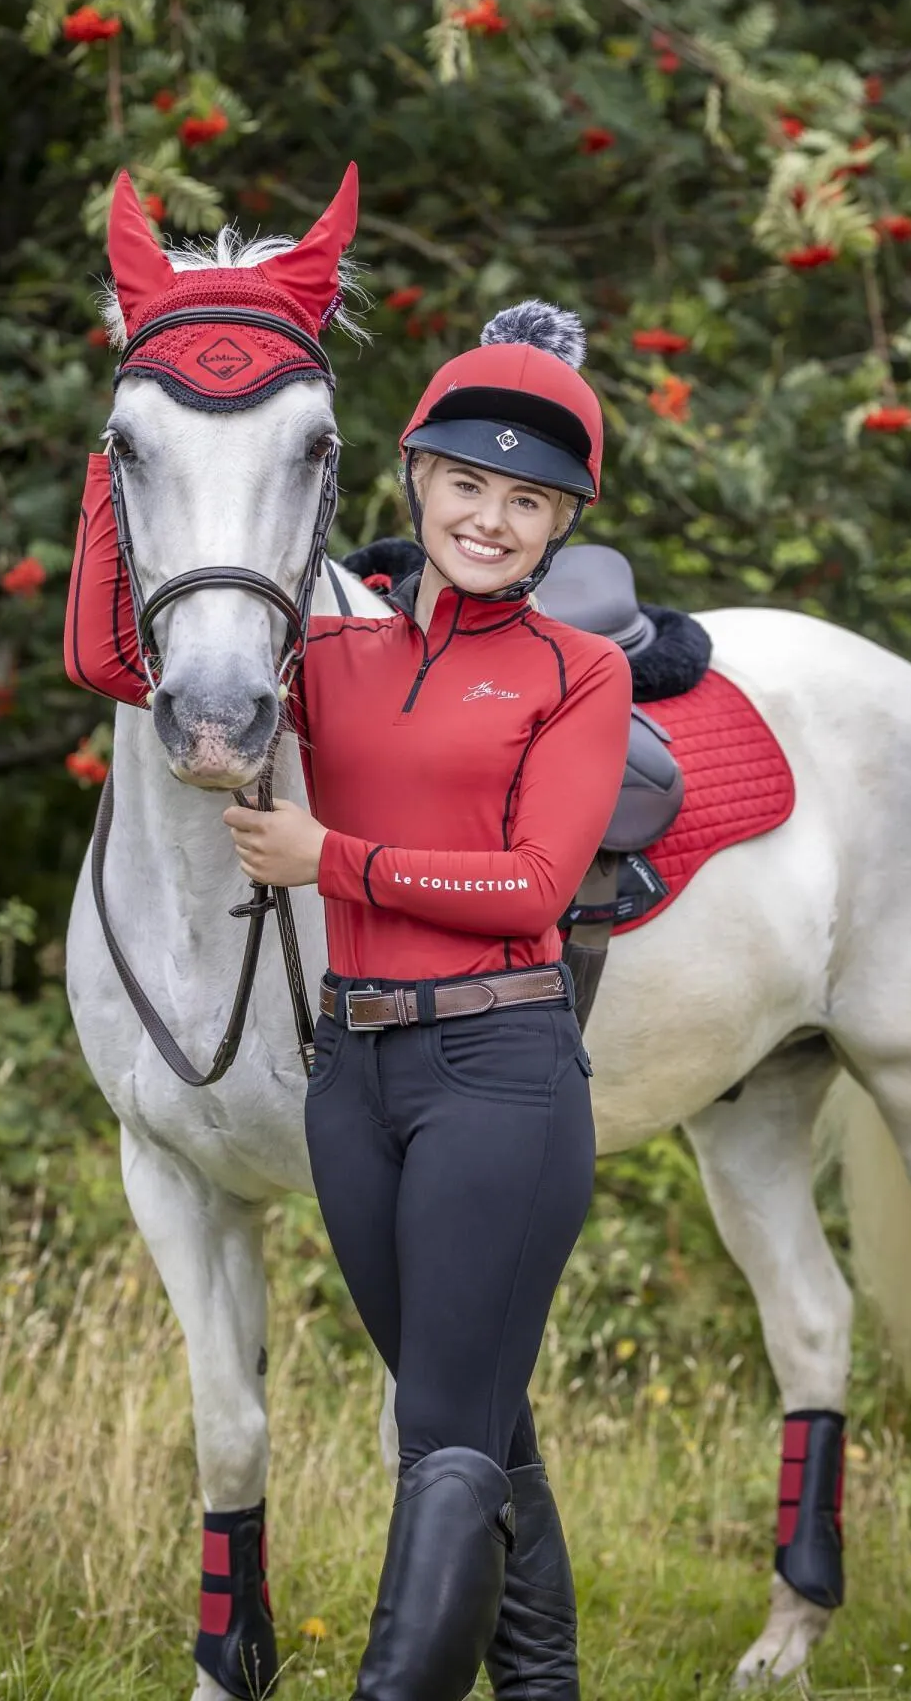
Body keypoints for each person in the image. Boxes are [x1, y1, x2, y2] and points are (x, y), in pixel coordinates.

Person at [222, 300, 632, 1700]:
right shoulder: (327, 658)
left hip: (501, 1073)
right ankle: (541, 1688)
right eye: (468, 485)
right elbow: (129, 659)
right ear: (414, 477)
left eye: (531, 501)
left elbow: (529, 887)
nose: (493, 520)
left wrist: (327, 858)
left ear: (563, 523)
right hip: (354, 1079)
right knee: (480, 1421)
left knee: (440, 1433)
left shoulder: (582, 672)